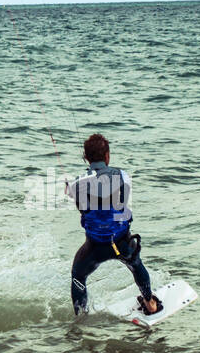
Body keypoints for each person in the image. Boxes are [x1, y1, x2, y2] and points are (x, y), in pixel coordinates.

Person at [66, 133, 161, 317]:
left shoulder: (77, 184)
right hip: (122, 242)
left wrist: (70, 189)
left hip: (94, 247)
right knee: (136, 264)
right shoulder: (123, 175)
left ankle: (81, 318)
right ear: (108, 156)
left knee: (78, 276)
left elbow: (78, 197)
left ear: (86, 157)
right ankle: (150, 303)